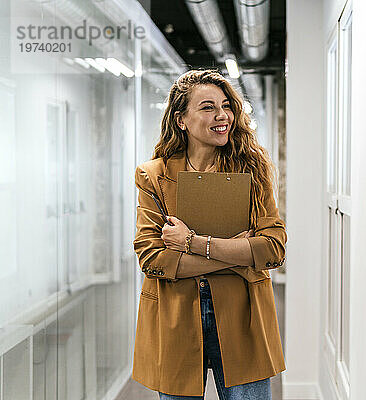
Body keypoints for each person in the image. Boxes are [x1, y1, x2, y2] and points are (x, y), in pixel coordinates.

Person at [132, 69, 286, 399]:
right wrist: (238, 256)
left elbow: (272, 249)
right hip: (175, 318)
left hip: (243, 317)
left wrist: (192, 244)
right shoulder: (153, 176)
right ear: (181, 120)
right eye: (207, 107)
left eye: (227, 105)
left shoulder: (250, 170)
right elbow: (153, 259)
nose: (223, 115)